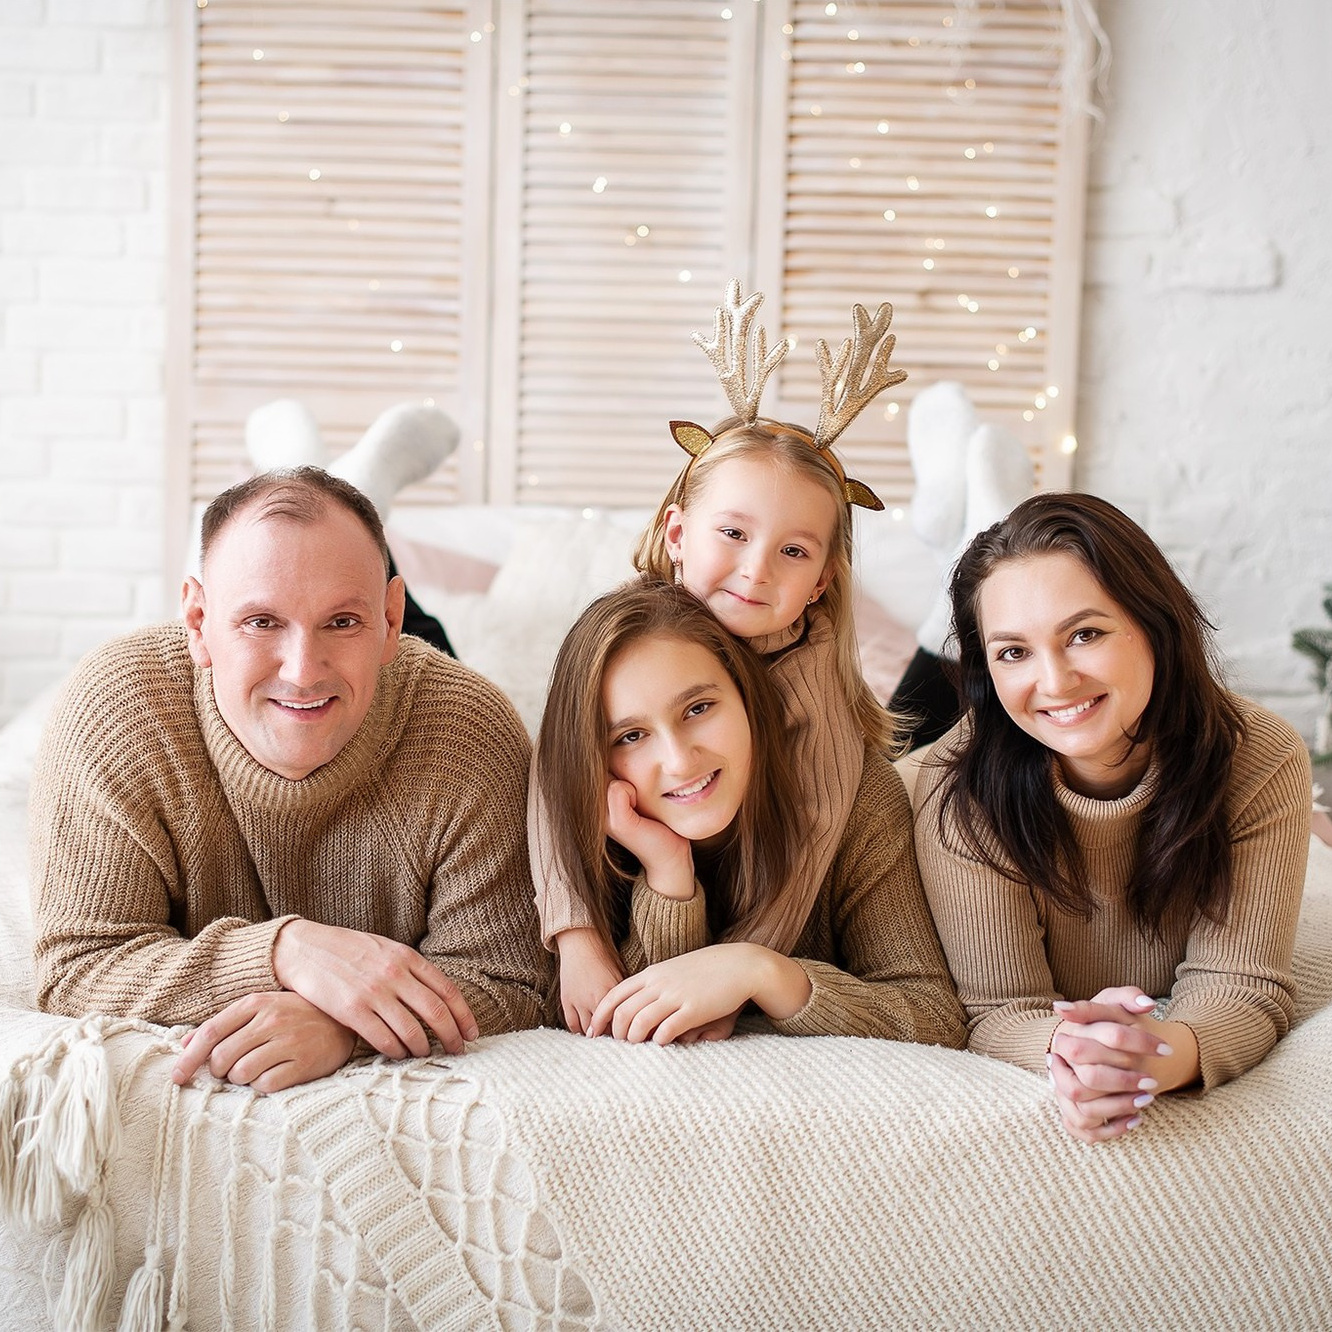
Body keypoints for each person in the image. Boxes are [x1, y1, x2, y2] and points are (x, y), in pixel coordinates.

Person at [30, 467, 551, 1092]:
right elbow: (78, 968)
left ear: (391, 618)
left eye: (342, 621)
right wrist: (286, 952)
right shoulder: (117, 710)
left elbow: (510, 981)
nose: (302, 670)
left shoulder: (473, 732)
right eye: (260, 622)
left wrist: (344, 1026)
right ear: (197, 621)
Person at [533, 280, 912, 1033]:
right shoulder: (622, 638)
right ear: (677, 534)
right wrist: (575, 934)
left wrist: (743, 971)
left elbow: (803, 851)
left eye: (792, 550)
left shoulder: (820, 715)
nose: (755, 570)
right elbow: (551, 779)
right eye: (732, 534)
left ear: (821, 581)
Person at [913, 492, 1312, 1143]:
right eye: (1013, 651)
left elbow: (1241, 984)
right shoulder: (957, 785)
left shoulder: (1259, 756)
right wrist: (1075, 1052)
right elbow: (999, 1010)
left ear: (1155, 625)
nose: (1056, 680)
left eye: (1085, 634)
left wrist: (1159, 1054)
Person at [534, 580, 966, 1047]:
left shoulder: (860, 800)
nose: (680, 761)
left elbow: (932, 1015)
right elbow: (640, 1023)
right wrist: (667, 873)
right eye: (631, 737)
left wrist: (762, 972)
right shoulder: (589, 825)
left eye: (698, 708)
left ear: (747, 697)